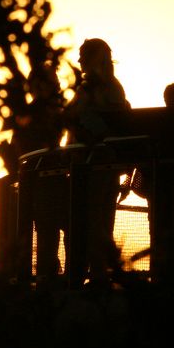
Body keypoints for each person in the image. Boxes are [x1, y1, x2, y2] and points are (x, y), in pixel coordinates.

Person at [65, 38, 131, 286]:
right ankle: (94, 272)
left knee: (96, 221)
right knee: (91, 220)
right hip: (87, 167)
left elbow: (108, 128)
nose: (79, 60)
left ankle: (98, 275)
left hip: (97, 168)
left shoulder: (107, 88)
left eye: (83, 55)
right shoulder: (95, 87)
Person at [10, 62, 69, 280]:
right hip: (42, 181)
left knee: (54, 230)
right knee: (47, 231)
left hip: (52, 179)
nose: (58, 83)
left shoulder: (54, 109)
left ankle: (54, 273)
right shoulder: (37, 112)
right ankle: (49, 275)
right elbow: (18, 147)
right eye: (53, 79)